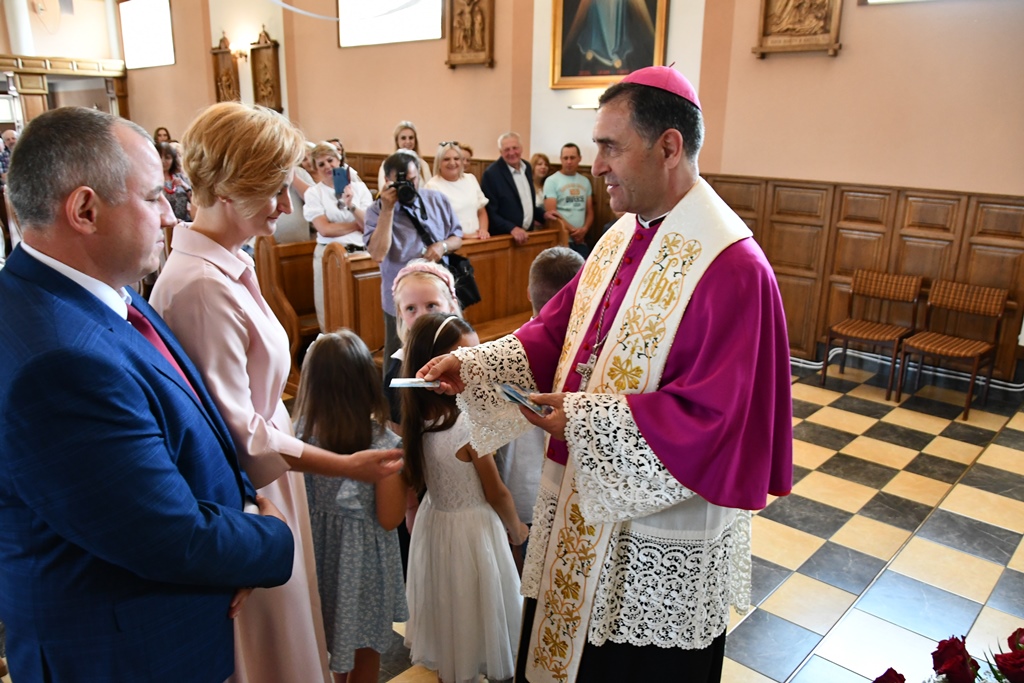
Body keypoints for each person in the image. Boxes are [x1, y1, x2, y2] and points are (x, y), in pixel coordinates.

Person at [419, 66, 793, 683]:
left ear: (668, 147)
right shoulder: (622, 236)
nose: (597, 166)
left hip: (653, 533)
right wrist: (476, 364)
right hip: (580, 504)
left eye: (610, 147)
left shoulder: (733, 267)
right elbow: (557, 330)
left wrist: (585, 419)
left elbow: (718, 417)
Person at [0, 106, 295, 682]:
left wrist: (243, 504)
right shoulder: (59, 361)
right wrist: (269, 536)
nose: (169, 214)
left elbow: (196, 415)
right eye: (155, 196)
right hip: (124, 653)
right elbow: (165, 535)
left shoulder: (99, 290)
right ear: (85, 210)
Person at [149, 102, 403, 683]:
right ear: (228, 187)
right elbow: (239, 432)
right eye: (272, 191)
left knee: (295, 628)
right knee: (272, 645)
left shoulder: (228, 264)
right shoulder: (200, 286)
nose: (286, 207)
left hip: (275, 474)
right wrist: (344, 464)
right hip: (252, 488)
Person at [401, 313, 528, 683]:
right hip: (474, 531)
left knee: (452, 612)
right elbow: (496, 491)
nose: (477, 370)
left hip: (436, 525)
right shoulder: (466, 425)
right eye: (467, 360)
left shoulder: (417, 418)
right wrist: (516, 528)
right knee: (482, 608)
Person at [297, 331, 408, 683]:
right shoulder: (384, 445)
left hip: (320, 563)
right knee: (364, 655)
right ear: (366, 384)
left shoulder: (299, 441)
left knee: (335, 644)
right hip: (365, 570)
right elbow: (390, 519)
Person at [495, 246, 585, 573]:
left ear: (528, 292)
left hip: (519, 491)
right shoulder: (587, 356)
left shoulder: (506, 352)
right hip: (572, 494)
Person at [365, 151, 463, 369]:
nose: (409, 186)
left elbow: (457, 238)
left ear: (419, 175)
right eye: (401, 182)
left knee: (444, 353)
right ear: (387, 181)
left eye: (412, 180)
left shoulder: (437, 200)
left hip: (438, 297)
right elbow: (378, 253)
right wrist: (388, 209)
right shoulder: (376, 211)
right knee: (398, 361)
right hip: (402, 302)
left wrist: (442, 246)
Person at [304, 141, 373, 330]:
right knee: (330, 308)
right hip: (329, 255)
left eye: (330, 160)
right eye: (321, 164)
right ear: (316, 168)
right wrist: (355, 225)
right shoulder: (314, 193)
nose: (327, 166)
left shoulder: (359, 189)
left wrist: (351, 205)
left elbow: (369, 225)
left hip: (360, 254)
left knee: (362, 308)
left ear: (339, 160)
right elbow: (325, 229)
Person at [481, 132, 545, 245]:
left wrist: (544, 214)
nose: (511, 153)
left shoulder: (527, 167)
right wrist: (511, 228)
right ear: (500, 152)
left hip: (527, 236)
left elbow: (527, 203)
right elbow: (490, 212)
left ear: (521, 148)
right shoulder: (491, 174)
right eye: (506, 150)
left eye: (515, 148)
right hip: (505, 239)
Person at [425, 141, 490, 239]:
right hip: (451, 243)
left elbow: (481, 211)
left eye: (456, 159)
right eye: (446, 159)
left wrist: (483, 230)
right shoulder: (432, 186)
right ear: (439, 163)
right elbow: (437, 223)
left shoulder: (471, 179)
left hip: (477, 240)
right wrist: (466, 236)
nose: (452, 163)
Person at [544, 143, 594, 258]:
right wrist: (574, 231)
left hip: (581, 239)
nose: (569, 161)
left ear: (579, 159)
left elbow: (590, 211)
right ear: (561, 159)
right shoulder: (552, 181)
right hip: (562, 240)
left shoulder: (585, 181)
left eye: (572, 158)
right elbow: (552, 214)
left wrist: (584, 230)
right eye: (565, 158)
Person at [377, 120, 432, 189]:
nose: (408, 141)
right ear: (397, 141)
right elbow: (383, 189)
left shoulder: (423, 165)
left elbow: (429, 190)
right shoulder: (388, 164)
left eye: (411, 138)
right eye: (403, 138)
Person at [157, 140, 192, 221]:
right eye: (160, 157)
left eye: (167, 158)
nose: (163, 161)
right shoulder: (151, 180)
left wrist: (185, 187)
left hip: (184, 223)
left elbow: (195, 202)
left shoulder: (181, 177)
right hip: (163, 223)